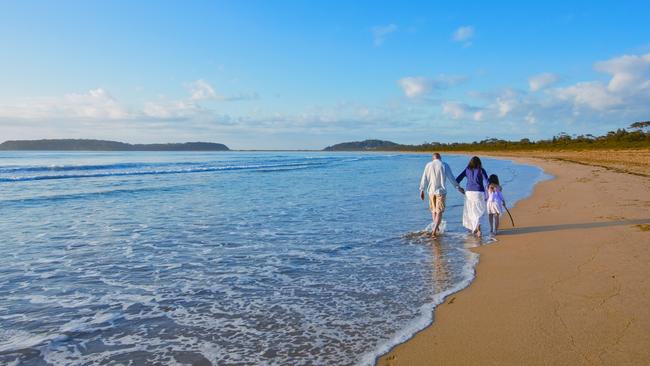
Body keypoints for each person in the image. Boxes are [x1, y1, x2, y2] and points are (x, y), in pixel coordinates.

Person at [419, 153, 465, 238]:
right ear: (440, 158)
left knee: (434, 211)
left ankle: (436, 229)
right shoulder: (444, 165)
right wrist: (458, 187)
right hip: (441, 191)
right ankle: (435, 230)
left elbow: (424, 178)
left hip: (431, 192)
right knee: (439, 211)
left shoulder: (428, 165)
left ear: (433, 158)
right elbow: (451, 178)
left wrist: (422, 190)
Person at [456, 156, 489, 237]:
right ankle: (478, 229)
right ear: (479, 162)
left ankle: (474, 229)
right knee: (479, 211)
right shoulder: (481, 170)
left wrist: (459, 188)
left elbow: (457, 179)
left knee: (471, 211)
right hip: (479, 192)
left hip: (469, 193)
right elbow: (487, 182)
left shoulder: (467, 169)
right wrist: (490, 191)